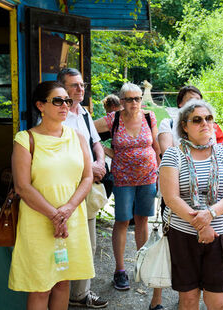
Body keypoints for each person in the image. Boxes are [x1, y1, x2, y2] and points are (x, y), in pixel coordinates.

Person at [9, 81, 94, 309]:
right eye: (57, 101)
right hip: (38, 221)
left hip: (72, 218)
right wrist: (55, 215)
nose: (65, 105)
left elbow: (87, 178)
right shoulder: (25, 139)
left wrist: (67, 210)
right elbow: (22, 186)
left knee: (62, 283)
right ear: (40, 105)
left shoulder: (78, 137)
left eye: (67, 100)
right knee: (41, 286)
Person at [159, 99, 223, 310]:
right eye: (197, 120)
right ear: (184, 126)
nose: (205, 123)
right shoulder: (173, 155)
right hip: (183, 235)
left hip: (219, 236)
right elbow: (171, 199)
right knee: (188, 300)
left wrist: (210, 215)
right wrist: (202, 226)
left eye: (208, 118)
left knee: (217, 302)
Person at [94, 83, 161, 296]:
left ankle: (142, 265)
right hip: (123, 178)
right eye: (129, 99)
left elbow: (156, 146)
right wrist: (102, 151)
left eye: (138, 98)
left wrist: (162, 171)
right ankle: (120, 270)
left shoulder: (150, 117)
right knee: (122, 220)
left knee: (142, 219)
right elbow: (85, 130)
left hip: (148, 176)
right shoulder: (112, 120)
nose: (134, 103)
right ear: (121, 102)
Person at [57, 68, 108, 308]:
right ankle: (69, 294)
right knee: (67, 242)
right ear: (62, 88)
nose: (80, 88)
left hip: (87, 185)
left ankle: (79, 294)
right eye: (74, 85)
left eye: (81, 84)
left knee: (89, 242)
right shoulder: (57, 116)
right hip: (67, 188)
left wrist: (99, 162)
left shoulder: (84, 112)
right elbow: (57, 156)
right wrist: (90, 168)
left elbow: (96, 143)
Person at [158, 85, 223, 152]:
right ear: (180, 103)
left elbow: (216, 151)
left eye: (198, 100)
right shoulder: (168, 124)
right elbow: (168, 155)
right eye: (191, 100)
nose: (195, 103)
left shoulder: (209, 125)